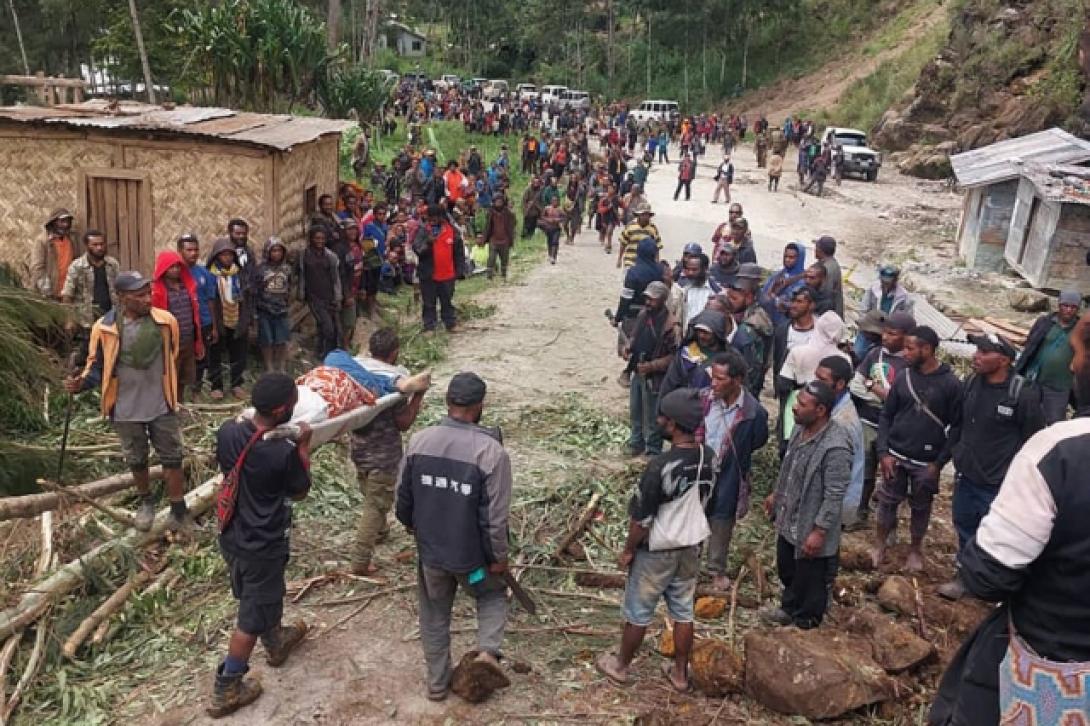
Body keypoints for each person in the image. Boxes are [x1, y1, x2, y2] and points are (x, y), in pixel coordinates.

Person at [929, 312, 1090, 726]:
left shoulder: (1059, 451)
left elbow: (989, 578)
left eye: (1077, 353)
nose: (1072, 366)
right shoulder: (974, 388)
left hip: (1052, 669)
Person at [395, 372, 513, 702]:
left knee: (434, 612)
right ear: (479, 407)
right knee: (491, 595)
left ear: (448, 403)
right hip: (472, 561)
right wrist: (498, 558)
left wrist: (415, 528)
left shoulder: (419, 441)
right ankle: (487, 654)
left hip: (431, 554)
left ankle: (436, 684)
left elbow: (402, 500)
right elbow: (494, 519)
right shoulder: (491, 453)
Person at [595, 388, 716, 692]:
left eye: (662, 417)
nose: (659, 420)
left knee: (638, 612)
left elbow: (642, 520)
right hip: (690, 547)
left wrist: (627, 549)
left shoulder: (661, 466)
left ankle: (621, 666)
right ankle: (679, 674)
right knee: (683, 611)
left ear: (673, 424)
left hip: (657, 551)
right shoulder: (708, 456)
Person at [207, 373, 313, 718]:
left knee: (262, 595)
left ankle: (276, 638)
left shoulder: (228, 431)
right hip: (263, 544)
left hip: (232, 536)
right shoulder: (281, 453)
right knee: (249, 617)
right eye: (293, 406)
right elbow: (300, 490)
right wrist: (303, 449)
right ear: (282, 409)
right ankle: (228, 685)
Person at [66, 271, 191, 533]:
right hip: (124, 406)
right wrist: (80, 384)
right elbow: (96, 366)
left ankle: (179, 510)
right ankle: (146, 502)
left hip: (160, 401)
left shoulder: (165, 322)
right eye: (140, 295)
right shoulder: (104, 328)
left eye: (148, 293)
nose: (148, 299)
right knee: (137, 458)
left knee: (172, 457)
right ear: (122, 298)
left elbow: (174, 354)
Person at [937, 333, 1045, 600]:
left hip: (999, 483)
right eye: (977, 350)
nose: (976, 356)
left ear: (1005, 360)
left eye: (985, 352)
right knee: (964, 526)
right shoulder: (972, 383)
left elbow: (1034, 440)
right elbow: (959, 423)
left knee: (996, 536)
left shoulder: (1023, 394)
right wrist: (950, 456)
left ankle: (994, 586)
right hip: (967, 474)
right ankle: (965, 577)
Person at [872, 326, 962, 572]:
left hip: (927, 461)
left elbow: (956, 429)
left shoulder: (951, 384)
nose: (905, 352)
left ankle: (915, 549)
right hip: (896, 455)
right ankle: (880, 544)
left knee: (921, 506)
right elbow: (887, 416)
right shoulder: (903, 376)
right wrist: (884, 452)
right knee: (887, 502)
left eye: (910, 348)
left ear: (927, 349)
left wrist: (938, 463)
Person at [762, 380, 851, 629]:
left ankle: (806, 621)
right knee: (788, 567)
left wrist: (820, 530)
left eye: (802, 404)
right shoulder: (801, 431)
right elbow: (789, 468)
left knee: (810, 575)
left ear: (820, 410)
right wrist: (776, 494)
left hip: (810, 524)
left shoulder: (835, 447)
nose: (794, 408)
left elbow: (835, 494)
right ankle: (788, 608)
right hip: (790, 519)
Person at [350, 329, 429, 575]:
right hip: (383, 454)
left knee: (370, 491)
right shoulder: (396, 380)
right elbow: (403, 423)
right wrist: (418, 397)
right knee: (375, 504)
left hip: (359, 447)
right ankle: (360, 560)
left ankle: (381, 532)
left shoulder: (357, 371)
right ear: (394, 353)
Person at [699, 351, 770, 591]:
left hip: (729, 473)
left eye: (720, 379)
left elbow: (757, 441)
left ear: (737, 380)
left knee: (722, 519)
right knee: (693, 514)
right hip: (699, 470)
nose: (714, 383)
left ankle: (715, 569)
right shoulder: (703, 401)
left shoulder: (753, 413)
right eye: (713, 377)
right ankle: (688, 565)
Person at [847, 311, 915, 530]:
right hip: (868, 421)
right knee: (864, 470)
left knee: (892, 477)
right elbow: (856, 385)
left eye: (893, 334)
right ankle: (860, 511)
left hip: (895, 428)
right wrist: (885, 396)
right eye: (885, 332)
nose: (886, 337)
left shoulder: (910, 363)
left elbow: (905, 399)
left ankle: (888, 524)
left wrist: (874, 387)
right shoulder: (874, 354)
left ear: (906, 337)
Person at [624, 282, 680, 457]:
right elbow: (635, 335)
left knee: (653, 415)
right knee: (635, 410)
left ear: (662, 300)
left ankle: (653, 450)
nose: (648, 302)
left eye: (652, 299)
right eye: (647, 298)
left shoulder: (671, 326)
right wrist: (628, 347)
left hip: (656, 377)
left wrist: (652, 366)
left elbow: (674, 357)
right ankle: (636, 443)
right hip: (638, 369)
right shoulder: (643, 314)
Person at [1015, 289, 1081, 423]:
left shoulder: (1082, 329)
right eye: (1065, 305)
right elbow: (1030, 344)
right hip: (1033, 379)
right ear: (1059, 305)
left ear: (1078, 309)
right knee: (1025, 416)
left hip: (1060, 385)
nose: (1069, 310)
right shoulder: (1045, 322)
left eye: (1073, 307)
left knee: (1054, 422)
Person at [814, 356, 865, 527]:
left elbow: (838, 478)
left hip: (834, 504)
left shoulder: (844, 423)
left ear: (840, 384)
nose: (815, 383)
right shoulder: (830, 407)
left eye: (822, 380)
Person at [151, 249, 205, 402]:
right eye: (171, 267)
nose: (175, 270)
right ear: (163, 269)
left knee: (184, 375)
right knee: (170, 373)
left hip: (187, 337)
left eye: (177, 266)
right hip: (169, 341)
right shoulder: (157, 291)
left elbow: (194, 312)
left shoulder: (186, 286)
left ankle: (179, 401)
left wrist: (197, 340)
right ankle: (169, 403)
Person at [61, 230, 119, 367]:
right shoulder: (77, 266)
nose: (99, 248)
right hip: (86, 319)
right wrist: (69, 319)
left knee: (109, 352)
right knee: (86, 354)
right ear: (87, 246)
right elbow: (68, 294)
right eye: (95, 245)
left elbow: (118, 289)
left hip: (110, 316)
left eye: (102, 244)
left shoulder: (112, 265)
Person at [207, 239, 252, 400]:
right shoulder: (211, 275)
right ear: (216, 256)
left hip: (237, 317)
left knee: (239, 352)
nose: (227, 258)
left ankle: (237, 384)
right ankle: (216, 385)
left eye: (230, 255)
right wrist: (213, 324)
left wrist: (246, 319)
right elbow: (209, 299)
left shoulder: (239, 274)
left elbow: (246, 296)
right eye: (223, 255)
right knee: (215, 353)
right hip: (219, 319)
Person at [414, 204, 465, 333]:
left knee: (447, 301)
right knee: (429, 302)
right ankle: (429, 327)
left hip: (448, 274)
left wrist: (459, 271)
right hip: (428, 274)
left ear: (442, 217)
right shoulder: (423, 230)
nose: (432, 219)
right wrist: (428, 243)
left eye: (435, 216)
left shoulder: (452, 231)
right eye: (430, 216)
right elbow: (417, 249)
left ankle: (450, 323)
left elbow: (459, 252)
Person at [178, 234, 219, 394]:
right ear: (180, 251)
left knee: (202, 357)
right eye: (189, 250)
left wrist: (214, 326)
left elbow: (211, 300)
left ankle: (196, 390)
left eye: (196, 249)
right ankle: (180, 391)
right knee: (182, 358)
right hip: (183, 324)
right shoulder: (175, 273)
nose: (193, 253)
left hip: (204, 322)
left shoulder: (204, 273)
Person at [297, 226, 342, 360]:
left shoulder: (330, 256)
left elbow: (335, 278)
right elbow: (299, 273)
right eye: (317, 238)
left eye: (322, 238)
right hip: (313, 296)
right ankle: (326, 354)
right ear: (311, 238)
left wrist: (337, 296)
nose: (319, 241)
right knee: (328, 327)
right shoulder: (304, 255)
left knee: (327, 325)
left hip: (329, 296)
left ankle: (322, 352)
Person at [252, 237, 294, 374]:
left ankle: (281, 366)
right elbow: (255, 290)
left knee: (282, 339)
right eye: (273, 250)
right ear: (268, 252)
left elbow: (290, 286)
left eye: (279, 250)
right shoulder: (261, 269)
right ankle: (269, 367)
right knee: (267, 340)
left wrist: (287, 303)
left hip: (281, 310)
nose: (276, 254)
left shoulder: (287, 269)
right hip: (265, 310)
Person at [855, 265, 913, 358]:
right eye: (884, 281)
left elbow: (908, 318)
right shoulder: (872, 290)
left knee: (881, 357)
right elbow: (863, 309)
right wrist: (867, 325)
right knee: (858, 353)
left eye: (888, 282)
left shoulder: (904, 297)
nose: (886, 284)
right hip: (870, 328)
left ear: (895, 281)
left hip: (888, 331)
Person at [31, 208, 76, 299]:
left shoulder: (72, 239)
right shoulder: (42, 241)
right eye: (62, 221)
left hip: (68, 292)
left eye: (68, 221)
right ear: (53, 223)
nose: (66, 224)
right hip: (49, 292)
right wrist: (47, 290)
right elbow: (37, 268)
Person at [760, 242, 808, 326]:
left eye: (791, 257)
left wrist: (774, 298)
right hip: (767, 320)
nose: (787, 260)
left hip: (785, 324)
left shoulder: (802, 282)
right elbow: (764, 292)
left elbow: (792, 305)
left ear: (799, 259)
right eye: (786, 256)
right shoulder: (778, 274)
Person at [679, 254, 722, 332]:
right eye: (688, 269)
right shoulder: (685, 290)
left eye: (694, 270)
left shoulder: (715, 292)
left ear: (705, 269)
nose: (690, 273)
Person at [481, 195, 517, 281]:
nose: (498, 203)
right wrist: (484, 238)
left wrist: (511, 237)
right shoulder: (490, 212)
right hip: (493, 239)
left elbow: (513, 223)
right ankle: (489, 276)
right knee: (491, 258)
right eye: (497, 201)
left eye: (500, 201)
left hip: (505, 239)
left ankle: (503, 274)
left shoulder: (507, 212)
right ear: (494, 202)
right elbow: (487, 226)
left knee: (504, 259)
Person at [617, 202, 662, 270]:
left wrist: (657, 262)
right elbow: (623, 243)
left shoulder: (653, 228)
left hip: (646, 263)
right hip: (630, 261)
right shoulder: (630, 226)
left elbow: (657, 247)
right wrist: (619, 259)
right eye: (643, 214)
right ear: (638, 215)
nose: (645, 217)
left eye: (647, 214)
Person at [813, 236, 843, 318]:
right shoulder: (833, 264)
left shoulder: (825, 269)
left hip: (826, 315)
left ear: (820, 250)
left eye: (816, 248)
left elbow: (825, 293)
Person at [539, 195, 566, 265]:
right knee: (549, 241)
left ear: (558, 202)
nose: (554, 202)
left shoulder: (560, 210)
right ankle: (550, 254)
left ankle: (554, 257)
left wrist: (557, 220)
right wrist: (548, 220)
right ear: (551, 201)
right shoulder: (547, 208)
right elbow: (542, 216)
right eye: (553, 201)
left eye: (556, 201)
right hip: (548, 228)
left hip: (557, 228)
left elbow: (564, 217)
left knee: (555, 242)